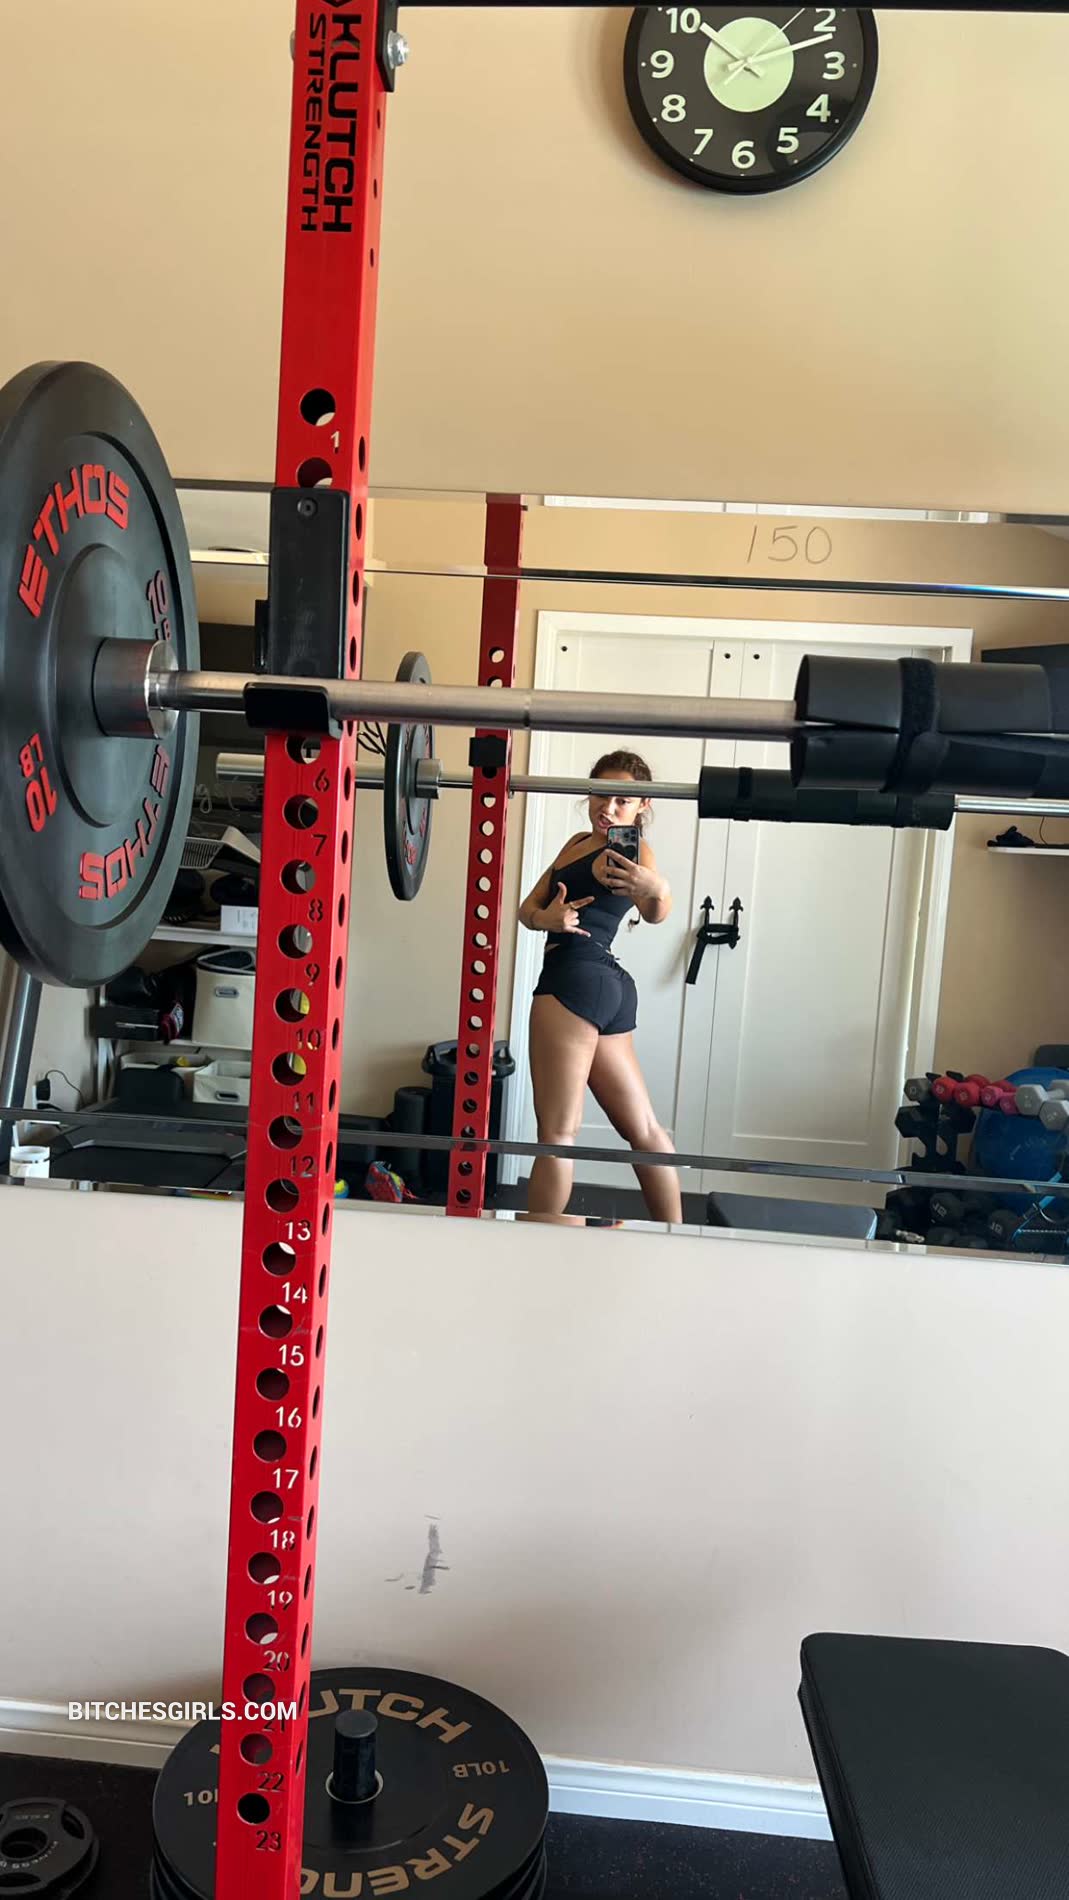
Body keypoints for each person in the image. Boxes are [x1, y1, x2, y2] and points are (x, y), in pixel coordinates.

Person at [518, 750, 683, 1225]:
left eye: (622, 801)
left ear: (642, 806)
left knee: (557, 1134)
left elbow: (655, 912)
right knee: (644, 1129)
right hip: (607, 988)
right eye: (600, 794)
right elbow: (527, 910)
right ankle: (675, 1236)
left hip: (574, 980)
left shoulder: (633, 851)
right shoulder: (575, 843)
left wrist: (657, 888)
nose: (608, 808)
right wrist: (548, 918)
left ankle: (537, 1245)